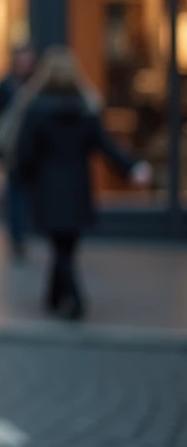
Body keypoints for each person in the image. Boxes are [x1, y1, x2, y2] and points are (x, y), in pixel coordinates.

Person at [10, 48, 150, 320]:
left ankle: (73, 299)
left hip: (49, 189)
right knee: (67, 245)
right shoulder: (85, 110)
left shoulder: (36, 109)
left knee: (60, 246)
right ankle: (54, 297)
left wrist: (24, 180)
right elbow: (105, 146)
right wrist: (132, 167)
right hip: (76, 187)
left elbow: (25, 153)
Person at [0, 44, 36, 261]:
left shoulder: (37, 84)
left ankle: (25, 231)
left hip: (34, 148)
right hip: (12, 149)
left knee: (26, 192)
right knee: (14, 192)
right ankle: (17, 236)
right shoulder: (5, 84)